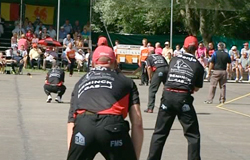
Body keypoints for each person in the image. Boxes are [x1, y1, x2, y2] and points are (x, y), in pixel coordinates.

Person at [66, 45, 143, 160]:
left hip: (84, 126)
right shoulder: (126, 81)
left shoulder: (80, 82)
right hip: (112, 126)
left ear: (93, 63)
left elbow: (71, 122)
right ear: (115, 63)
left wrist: (74, 150)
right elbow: (137, 123)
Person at [147, 36, 204, 160]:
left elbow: (168, 76)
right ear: (196, 49)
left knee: (160, 133)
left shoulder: (174, 59)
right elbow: (197, 88)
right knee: (193, 135)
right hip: (183, 97)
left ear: (184, 46)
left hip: (167, 95)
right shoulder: (198, 66)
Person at [144, 48, 169, 113]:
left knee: (152, 89)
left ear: (149, 53)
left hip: (159, 71)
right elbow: (167, 64)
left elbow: (149, 68)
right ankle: (167, 106)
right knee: (167, 89)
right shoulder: (160, 56)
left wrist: (150, 78)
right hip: (167, 69)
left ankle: (150, 108)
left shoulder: (148, 58)